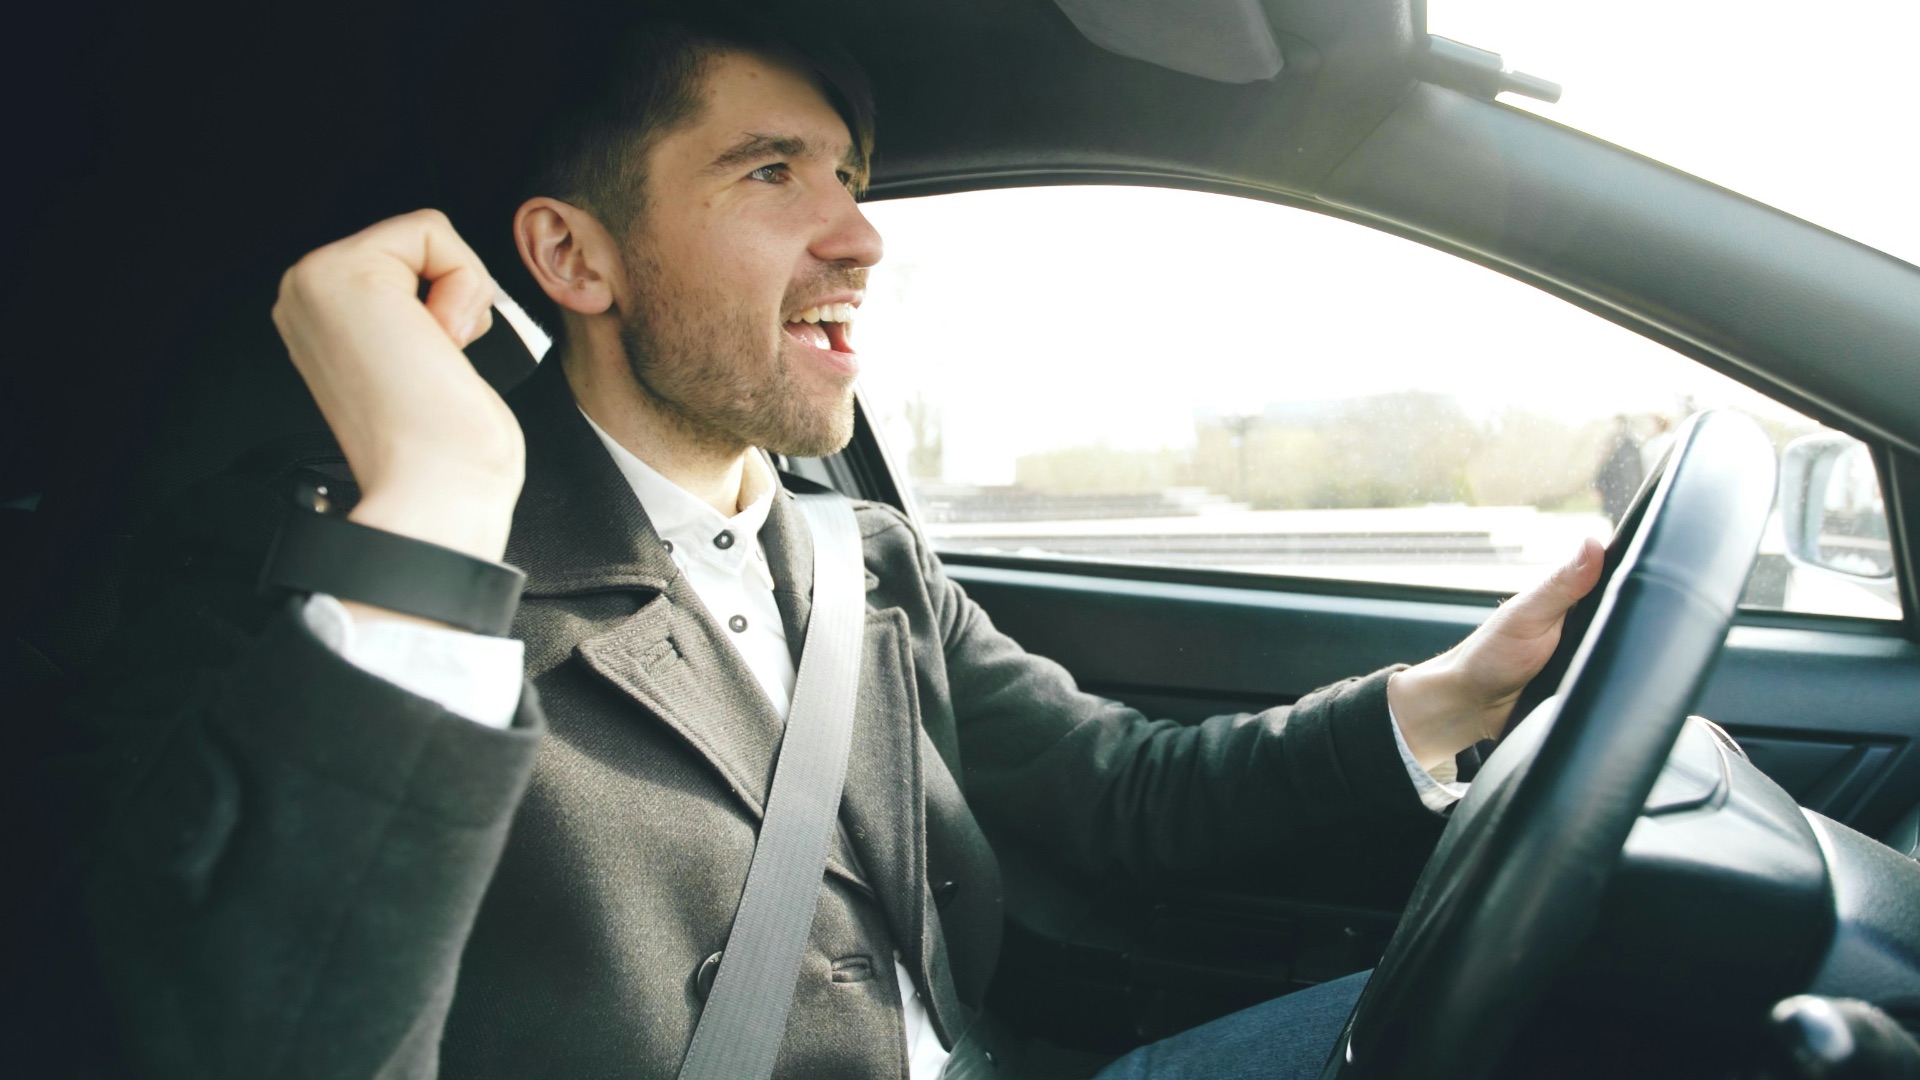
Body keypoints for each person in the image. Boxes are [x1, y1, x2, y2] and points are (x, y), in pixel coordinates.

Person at [65, 9, 1601, 1079]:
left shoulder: (863, 561)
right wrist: (442, 505)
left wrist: (1452, 694)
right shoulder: (358, 585)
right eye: (771, 172)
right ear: (571, 257)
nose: (860, 234)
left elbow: (1118, 790)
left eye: (851, 179)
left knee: (1589, 1010)